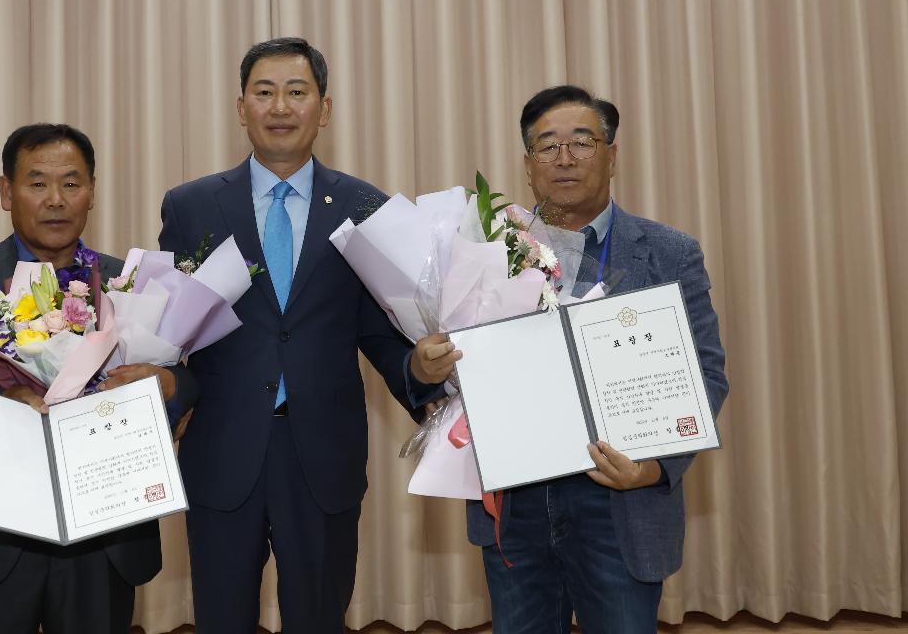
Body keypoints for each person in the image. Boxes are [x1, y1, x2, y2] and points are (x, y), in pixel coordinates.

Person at [158, 37, 455, 633]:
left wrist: (420, 373)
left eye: (297, 92)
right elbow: (172, 332)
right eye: (264, 92)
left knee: (319, 618)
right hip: (222, 449)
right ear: (240, 106)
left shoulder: (363, 205)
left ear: (324, 108)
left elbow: (379, 329)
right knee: (221, 618)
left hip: (322, 454)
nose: (280, 107)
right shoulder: (191, 206)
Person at [0, 124, 197, 634]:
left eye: (71, 184)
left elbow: (185, 384)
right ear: (6, 192)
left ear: (92, 191)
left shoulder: (128, 285)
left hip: (101, 540)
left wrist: (168, 385)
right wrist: (1, 403)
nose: (56, 199)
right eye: (37, 184)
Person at [463, 85, 729, 633]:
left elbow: (706, 376)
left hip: (619, 500)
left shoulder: (668, 252)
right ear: (529, 163)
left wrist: (654, 470)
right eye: (547, 146)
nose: (564, 158)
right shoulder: (485, 253)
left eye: (582, 142)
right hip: (518, 506)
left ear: (611, 155)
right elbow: (451, 375)